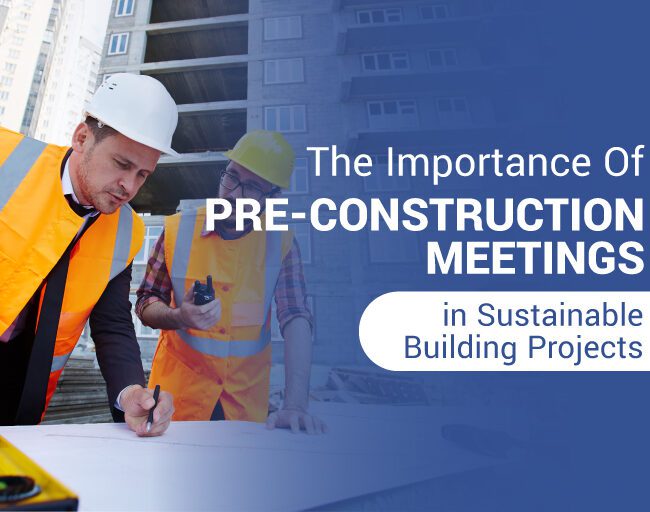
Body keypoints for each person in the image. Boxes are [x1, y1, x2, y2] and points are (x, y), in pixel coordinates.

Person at [0, 73, 176, 436]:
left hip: (19, 393)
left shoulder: (127, 230)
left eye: (143, 174)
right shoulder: (6, 159)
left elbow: (112, 322)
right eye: (122, 164)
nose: (130, 186)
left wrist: (130, 393)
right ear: (82, 138)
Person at [136, 131, 327, 434]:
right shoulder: (177, 230)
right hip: (175, 404)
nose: (234, 194)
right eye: (232, 177)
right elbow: (146, 301)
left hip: (244, 408)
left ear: (272, 198)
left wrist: (295, 405)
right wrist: (177, 316)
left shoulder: (282, 242)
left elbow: (296, 317)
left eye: (252, 187)